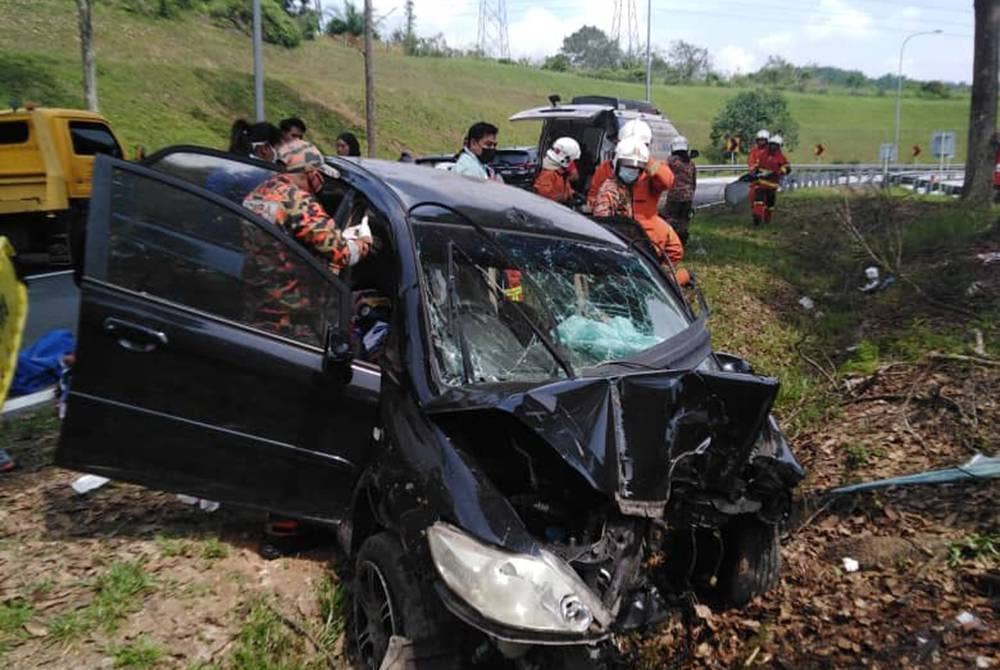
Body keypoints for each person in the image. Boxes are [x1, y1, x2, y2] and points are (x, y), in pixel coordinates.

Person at [593, 137, 687, 284]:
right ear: (617, 164)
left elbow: (667, 180)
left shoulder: (641, 181)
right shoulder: (610, 190)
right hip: (624, 243)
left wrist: (647, 160)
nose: (631, 172)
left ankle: (664, 279)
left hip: (639, 239)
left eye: (635, 169)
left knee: (668, 257)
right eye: (627, 167)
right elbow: (603, 222)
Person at [587, 119, 651, 210]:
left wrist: (649, 162)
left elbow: (666, 181)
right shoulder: (606, 169)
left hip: (642, 221)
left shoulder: (650, 170)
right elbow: (593, 195)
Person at [750, 134, 791, 225]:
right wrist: (754, 173)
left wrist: (778, 171)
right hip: (760, 182)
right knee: (758, 200)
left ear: (779, 146)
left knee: (770, 204)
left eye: (775, 145)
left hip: (772, 185)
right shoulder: (762, 155)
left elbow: (787, 169)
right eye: (771, 144)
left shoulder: (781, 157)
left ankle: (767, 220)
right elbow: (757, 166)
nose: (773, 147)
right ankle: (757, 217)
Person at [663, 136, 697, 245]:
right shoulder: (690, 163)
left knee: (671, 218)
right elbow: (694, 181)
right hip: (688, 197)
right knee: (684, 220)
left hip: (674, 196)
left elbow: (660, 170)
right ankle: (682, 241)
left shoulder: (671, 161)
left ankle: (671, 241)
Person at [533, 137, 580, 204]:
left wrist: (573, 194)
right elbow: (543, 197)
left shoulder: (560, 174)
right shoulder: (548, 174)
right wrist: (561, 199)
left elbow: (564, 188)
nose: (571, 162)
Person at [747, 129, 770, 216]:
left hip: (769, 176)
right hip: (757, 176)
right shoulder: (754, 151)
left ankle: (767, 209)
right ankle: (755, 210)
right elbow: (751, 163)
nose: (761, 142)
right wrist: (753, 169)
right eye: (760, 140)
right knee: (752, 192)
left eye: (763, 140)